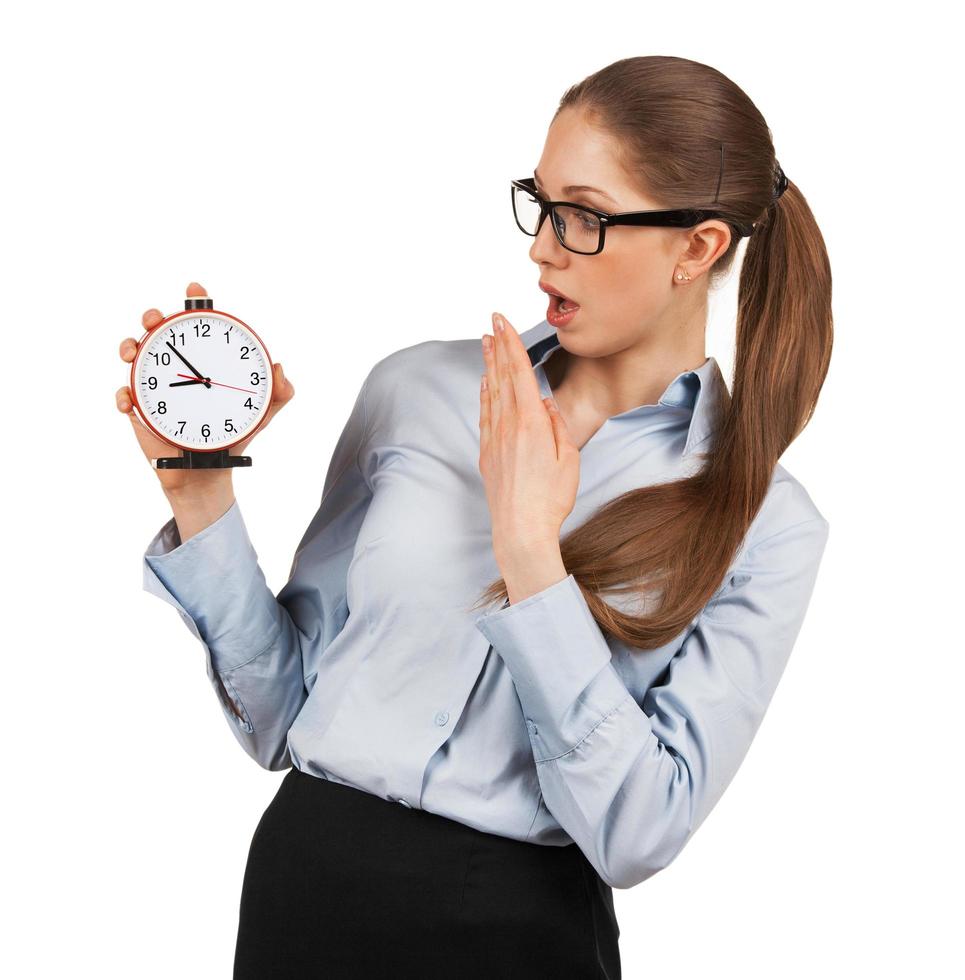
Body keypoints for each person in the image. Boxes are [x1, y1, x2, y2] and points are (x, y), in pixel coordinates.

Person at [116, 54, 832, 980]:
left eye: (583, 215)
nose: (542, 246)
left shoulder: (766, 523)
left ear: (694, 249)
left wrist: (532, 553)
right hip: (305, 893)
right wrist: (200, 497)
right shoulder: (414, 391)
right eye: (539, 203)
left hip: (519, 938)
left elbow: (639, 832)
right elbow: (282, 719)